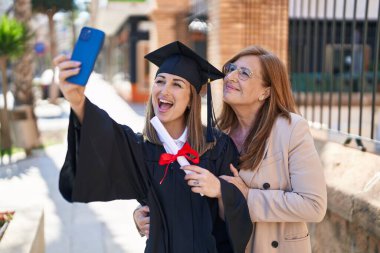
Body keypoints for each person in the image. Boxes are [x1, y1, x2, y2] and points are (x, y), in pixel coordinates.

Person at [55, 41, 252, 253]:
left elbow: (236, 218)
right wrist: (77, 100)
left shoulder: (218, 147)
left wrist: (220, 190)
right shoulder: (142, 149)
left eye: (177, 84)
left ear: (190, 100)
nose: (164, 90)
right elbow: (103, 134)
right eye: (160, 81)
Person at [134, 45, 327, 253]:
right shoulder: (217, 138)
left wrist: (242, 196)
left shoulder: (290, 129)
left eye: (244, 73)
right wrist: (143, 212)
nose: (231, 77)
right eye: (231, 68)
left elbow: (313, 205)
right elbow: (193, 198)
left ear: (266, 91)